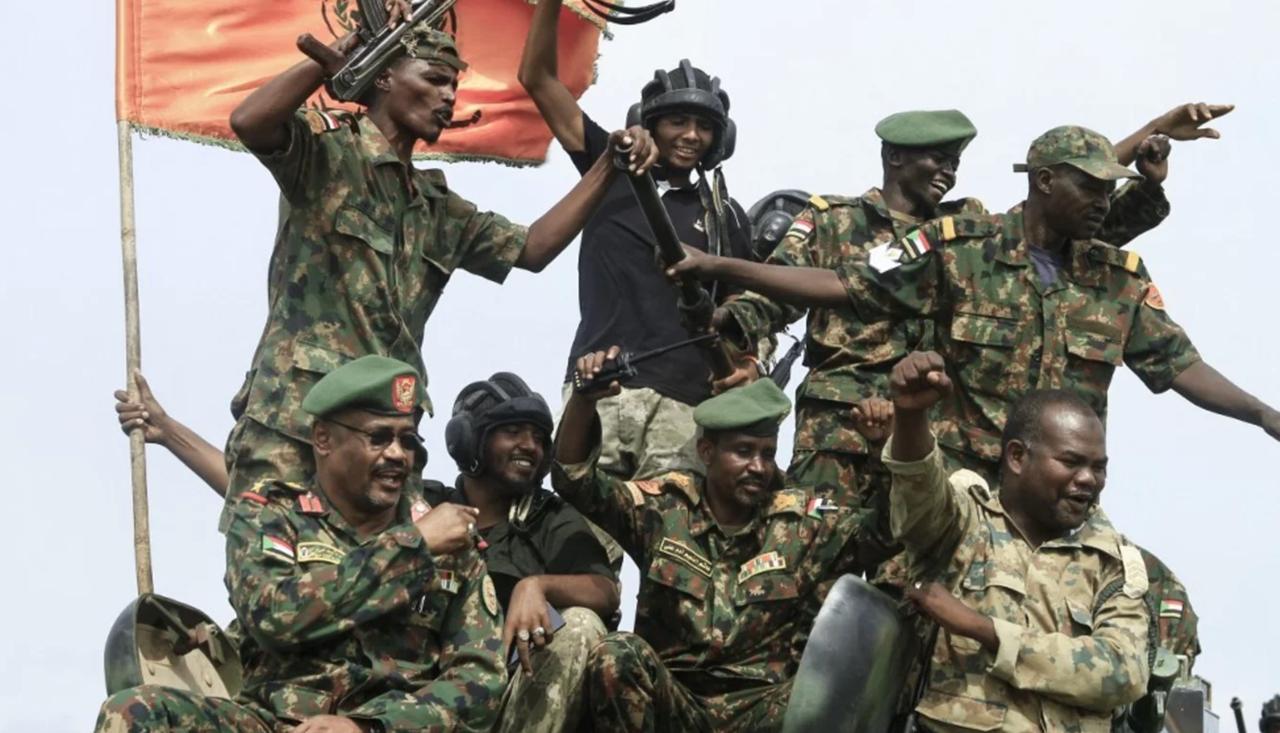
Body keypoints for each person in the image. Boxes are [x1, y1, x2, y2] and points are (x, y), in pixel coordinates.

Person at [712, 106, 1224, 567]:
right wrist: (736, 334)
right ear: (894, 157)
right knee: (815, 558)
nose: (947, 172)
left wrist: (1150, 136)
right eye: (935, 159)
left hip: (928, 432)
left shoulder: (969, 231)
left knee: (913, 567)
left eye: (954, 163)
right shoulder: (835, 221)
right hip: (844, 426)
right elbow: (778, 292)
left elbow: (1063, 199)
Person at [221, 15, 659, 526]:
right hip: (298, 420)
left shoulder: (434, 206)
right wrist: (341, 59)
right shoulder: (329, 150)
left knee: (401, 588)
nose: (449, 96)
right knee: (281, 574)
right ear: (383, 77)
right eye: (433, 79)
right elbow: (250, 122)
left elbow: (533, 248)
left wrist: (607, 164)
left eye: (453, 84)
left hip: (387, 436)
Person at [670, 124, 1280, 482]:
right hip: (953, 486)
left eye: (1109, 190)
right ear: (1044, 183)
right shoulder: (958, 247)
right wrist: (720, 267)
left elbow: (1179, 366)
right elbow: (847, 284)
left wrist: (1262, 414)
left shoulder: (1116, 280)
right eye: (1089, 187)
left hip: (1052, 494)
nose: (1102, 201)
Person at [96, 356, 505, 732]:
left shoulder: (452, 544)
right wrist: (410, 550)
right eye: (379, 438)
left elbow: (479, 682)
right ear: (323, 439)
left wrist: (369, 726)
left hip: (388, 726)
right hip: (273, 722)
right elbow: (275, 617)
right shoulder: (268, 517)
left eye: (408, 440)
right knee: (135, 710)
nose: (397, 454)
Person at [519, 0, 757, 483]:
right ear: (649, 126)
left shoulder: (725, 216)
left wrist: (750, 364)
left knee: (673, 550)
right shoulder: (610, 171)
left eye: (705, 126)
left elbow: (746, 309)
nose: (691, 135)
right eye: (677, 123)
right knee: (586, 540)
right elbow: (538, 79)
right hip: (601, 387)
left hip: (685, 404)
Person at [553, 360, 861, 733]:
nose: (758, 467)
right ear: (706, 451)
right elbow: (574, 479)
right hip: (676, 703)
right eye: (744, 452)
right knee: (617, 654)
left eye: (767, 453)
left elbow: (892, 531)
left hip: (761, 710)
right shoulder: (664, 509)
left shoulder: (801, 524)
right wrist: (585, 399)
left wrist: (891, 441)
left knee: (827, 691)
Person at [884, 350, 1150, 732]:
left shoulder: (1112, 561)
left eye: (1098, 467)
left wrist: (984, 630)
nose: (1088, 479)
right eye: (1071, 462)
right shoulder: (962, 525)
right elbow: (918, 493)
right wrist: (909, 417)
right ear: (1017, 457)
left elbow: (1123, 672)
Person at [430, 372, 620, 733]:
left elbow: (605, 591)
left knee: (581, 624)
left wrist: (536, 586)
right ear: (469, 441)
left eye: (537, 437)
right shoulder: (425, 507)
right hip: (421, 700)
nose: (530, 446)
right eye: (513, 432)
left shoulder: (547, 517)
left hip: (512, 699)